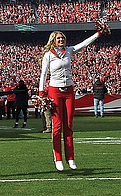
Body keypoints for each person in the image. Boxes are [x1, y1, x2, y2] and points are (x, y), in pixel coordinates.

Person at [38, 20, 109, 171]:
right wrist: (41, 92)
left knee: (69, 126)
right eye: (58, 38)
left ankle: (70, 158)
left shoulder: (69, 50)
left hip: (69, 90)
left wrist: (98, 34)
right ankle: (58, 158)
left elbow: (83, 44)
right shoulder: (48, 55)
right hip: (54, 91)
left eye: (62, 38)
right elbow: (43, 74)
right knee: (56, 127)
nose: (61, 40)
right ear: (53, 40)